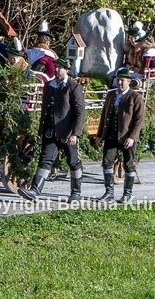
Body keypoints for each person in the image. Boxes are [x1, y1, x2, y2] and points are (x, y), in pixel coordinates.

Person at [19, 58, 86, 203]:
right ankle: (35, 191)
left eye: (60, 67)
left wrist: (75, 133)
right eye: (55, 67)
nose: (56, 70)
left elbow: (80, 112)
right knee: (45, 159)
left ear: (67, 70)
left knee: (73, 161)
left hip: (67, 132)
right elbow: (44, 109)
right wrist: (42, 130)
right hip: (50, 130)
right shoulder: (49, 85)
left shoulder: (73, 87)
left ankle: (76, 193)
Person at [97, 67, 146, 203]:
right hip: (111, 134)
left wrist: (132, 137)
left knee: (128, 164)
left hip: (126, 136)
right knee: (107, 162)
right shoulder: (111, 95)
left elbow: (139, 119)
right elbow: (104, 115)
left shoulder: (135, 97)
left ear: (129, 81)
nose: (119, 83)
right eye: (118, 80)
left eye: (122, 80)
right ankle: (109, 192)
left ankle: (127, 194)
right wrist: (100, 134)